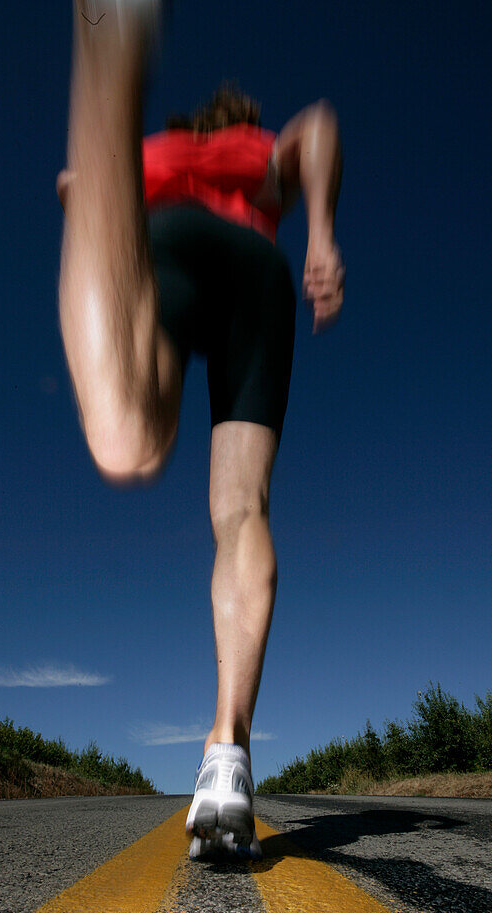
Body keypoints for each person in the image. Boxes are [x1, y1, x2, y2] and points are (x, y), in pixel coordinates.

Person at [57, 0, 345, 859]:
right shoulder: (259, 152)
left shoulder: (157, 156)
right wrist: (319, 234)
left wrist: (93, 194)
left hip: (160, 240)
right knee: (243, 511)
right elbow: (320, 125)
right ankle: (227, 752)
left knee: (127, 440)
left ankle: (107, 62)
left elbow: (73, 190)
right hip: (254, 269)